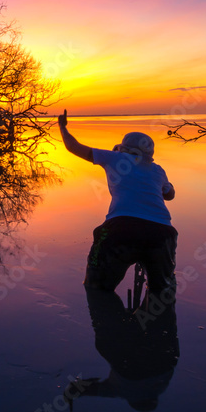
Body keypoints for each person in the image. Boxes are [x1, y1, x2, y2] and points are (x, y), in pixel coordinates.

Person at [56, 110, 177, 293]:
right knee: (161, 292)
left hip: (120, 229)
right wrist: (166, 186)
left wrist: (62, 127)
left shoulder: (115, 158)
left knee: (96, 288)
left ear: (123, 148)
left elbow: (73, 147)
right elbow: (170, 195)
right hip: (162, 233)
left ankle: (106, 316)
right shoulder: (158, 170)